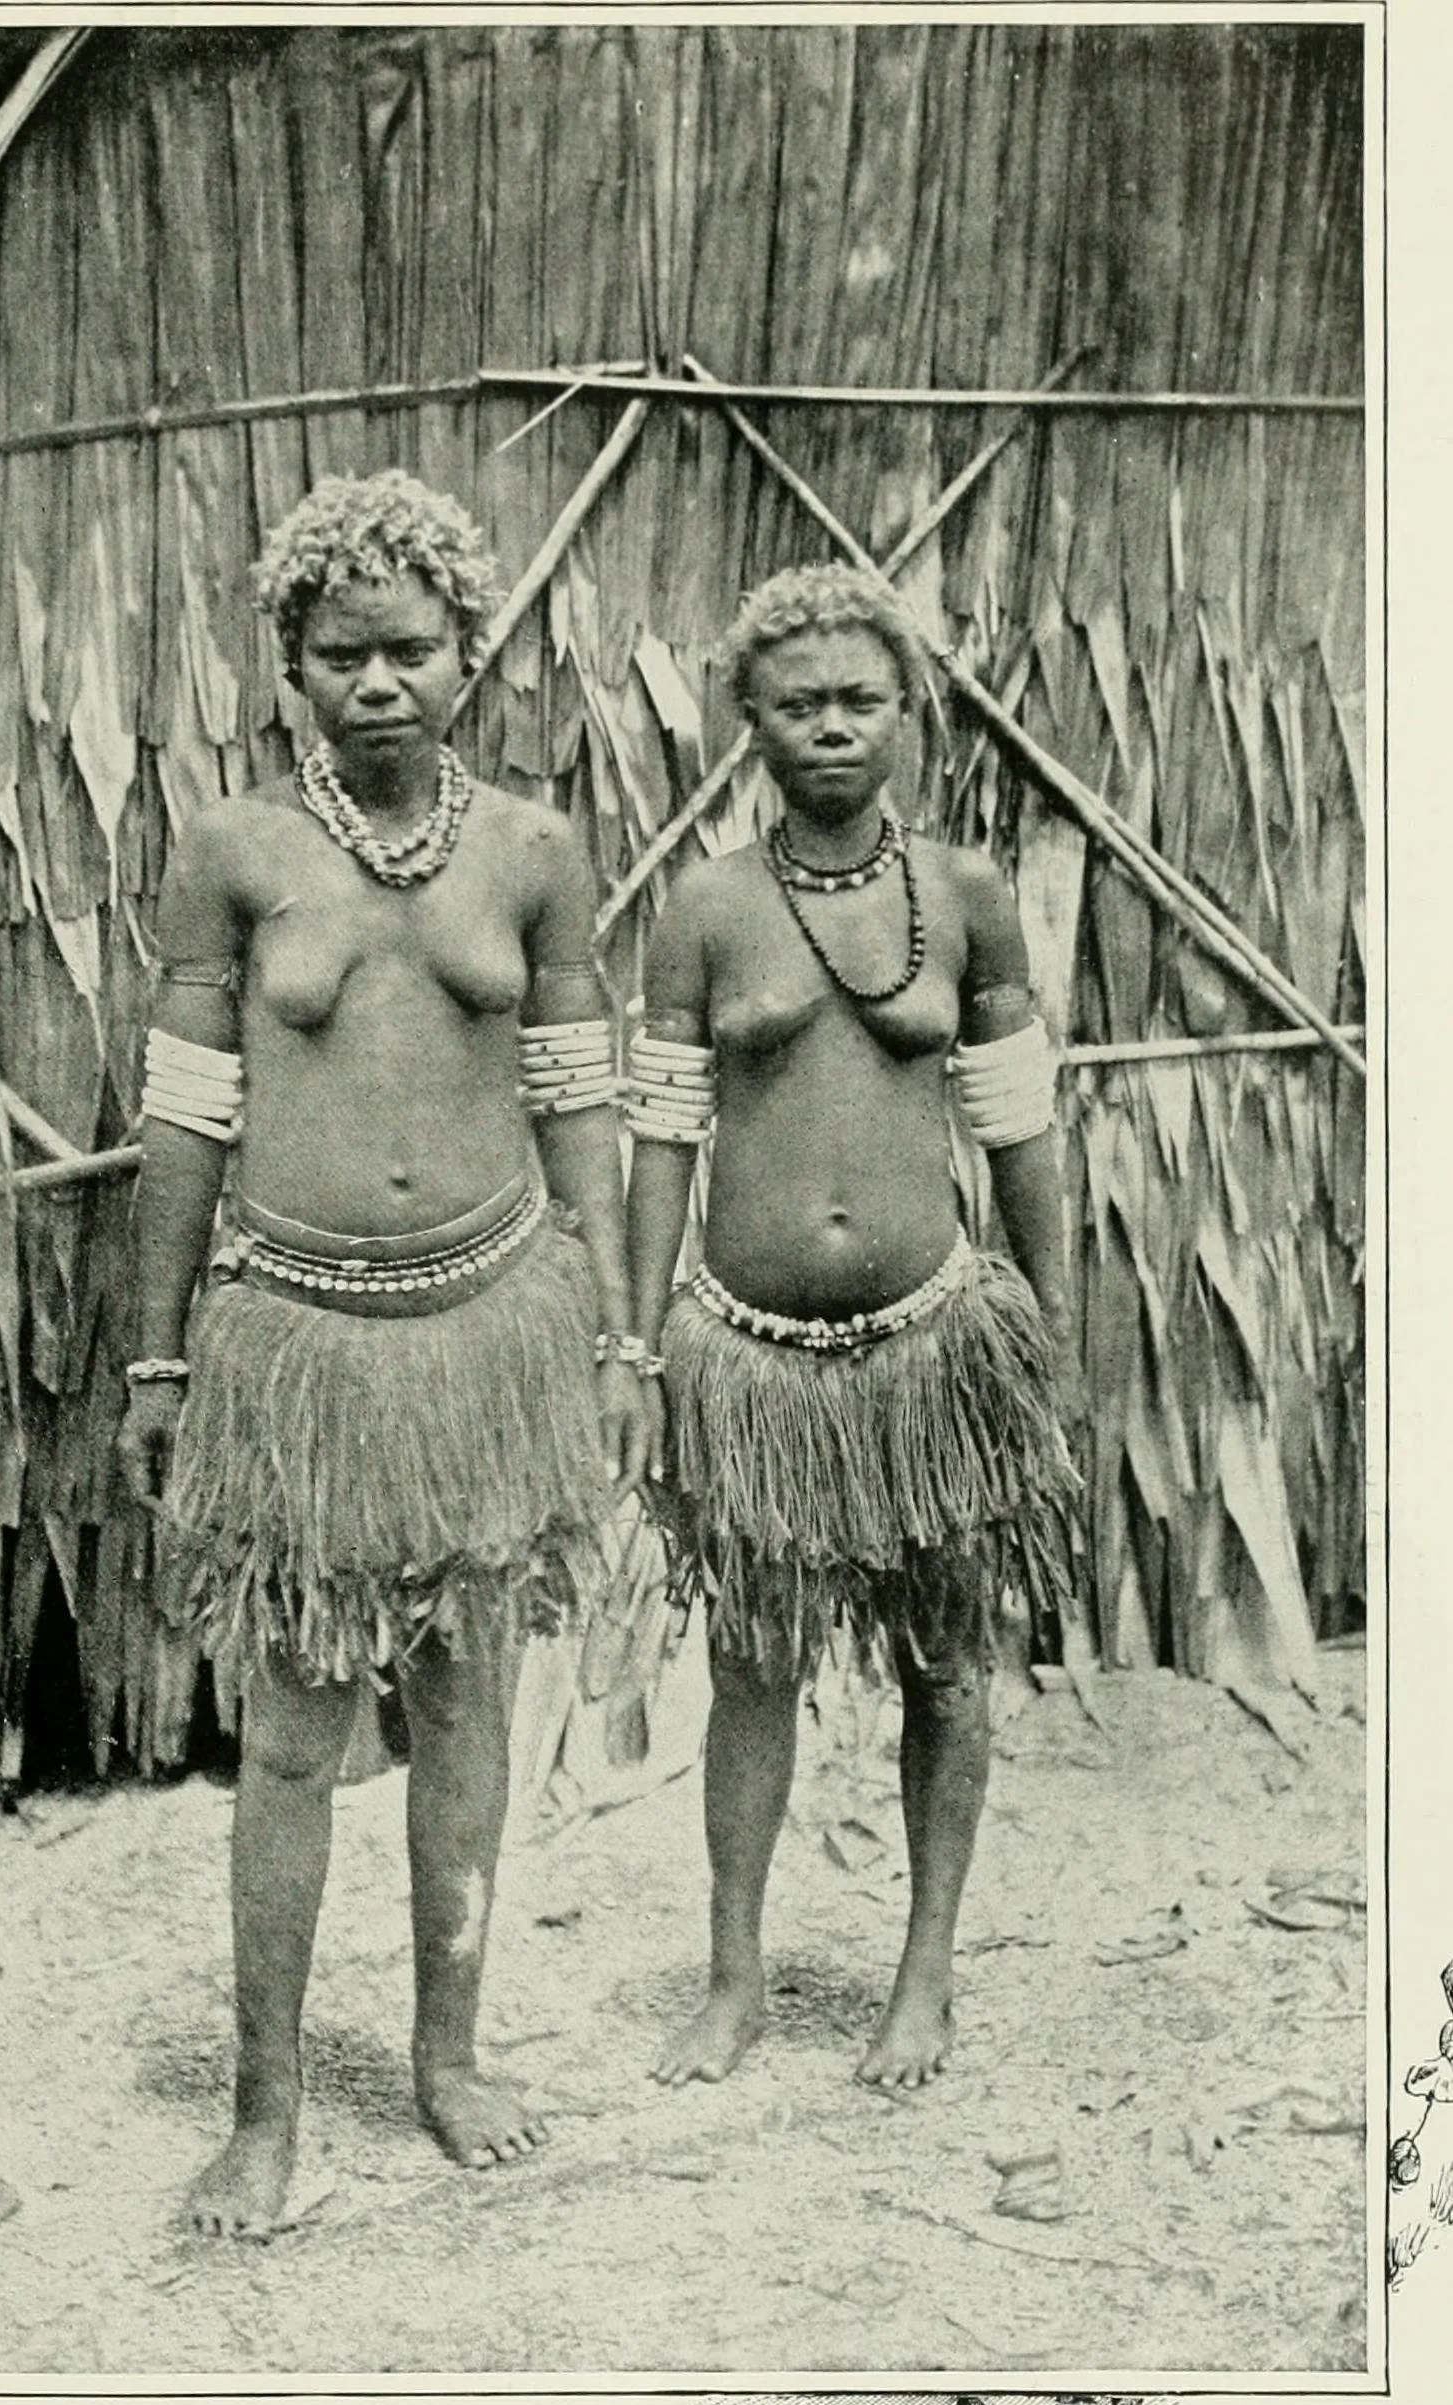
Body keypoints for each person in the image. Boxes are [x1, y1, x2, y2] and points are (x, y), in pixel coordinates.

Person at [118, 469, 650, 2235]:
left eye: (409, 650)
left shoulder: (535, 852)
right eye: (338, 654)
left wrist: (613, 1330)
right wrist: (157, 1363)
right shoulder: (236, 853)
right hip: (297, 1346)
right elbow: (184, 1119)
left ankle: (446, 2058)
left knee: (469, 1707)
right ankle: (265, 2111)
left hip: (492, 1328)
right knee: (289, 1735)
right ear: (289, 664)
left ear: (468, 656)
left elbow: (582, 1094)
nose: (375, 684)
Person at [624, 562, 1081, 2094]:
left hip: (935, 1350)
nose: (830, 726)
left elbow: (1022, 1131)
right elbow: (660, 1141)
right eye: (797, 700)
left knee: (947, 1666)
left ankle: (925, 1976)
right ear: (745, 718)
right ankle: (736, 1978)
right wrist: (636, 1349)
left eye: (859, 698)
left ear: (908, 713)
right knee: (750, 1664)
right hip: (747, 1359)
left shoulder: (961, 898)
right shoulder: (702, 908)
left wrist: (1051, 1342)